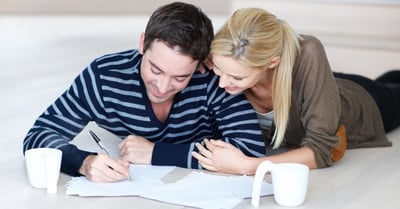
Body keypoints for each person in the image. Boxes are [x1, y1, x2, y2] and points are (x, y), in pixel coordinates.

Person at [23, 2, 266, 182]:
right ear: (142, 43)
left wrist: (156, 153)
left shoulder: (214, 79)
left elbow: (249, 151)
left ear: (202, 63)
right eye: (155, 69)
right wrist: (84, 162)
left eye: (180, 77)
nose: (162, 87)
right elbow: (39, 135)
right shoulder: (104, 76)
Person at [192, 7, 400, 175]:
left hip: (358, 102)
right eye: (219, 71)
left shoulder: (308, 52)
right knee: (389, 78)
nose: (222, 83)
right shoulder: (223, 55)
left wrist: (249, 165)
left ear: (272, 62)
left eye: (238, 77)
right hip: (320, 83)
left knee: (392, 90)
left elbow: (321, 151)